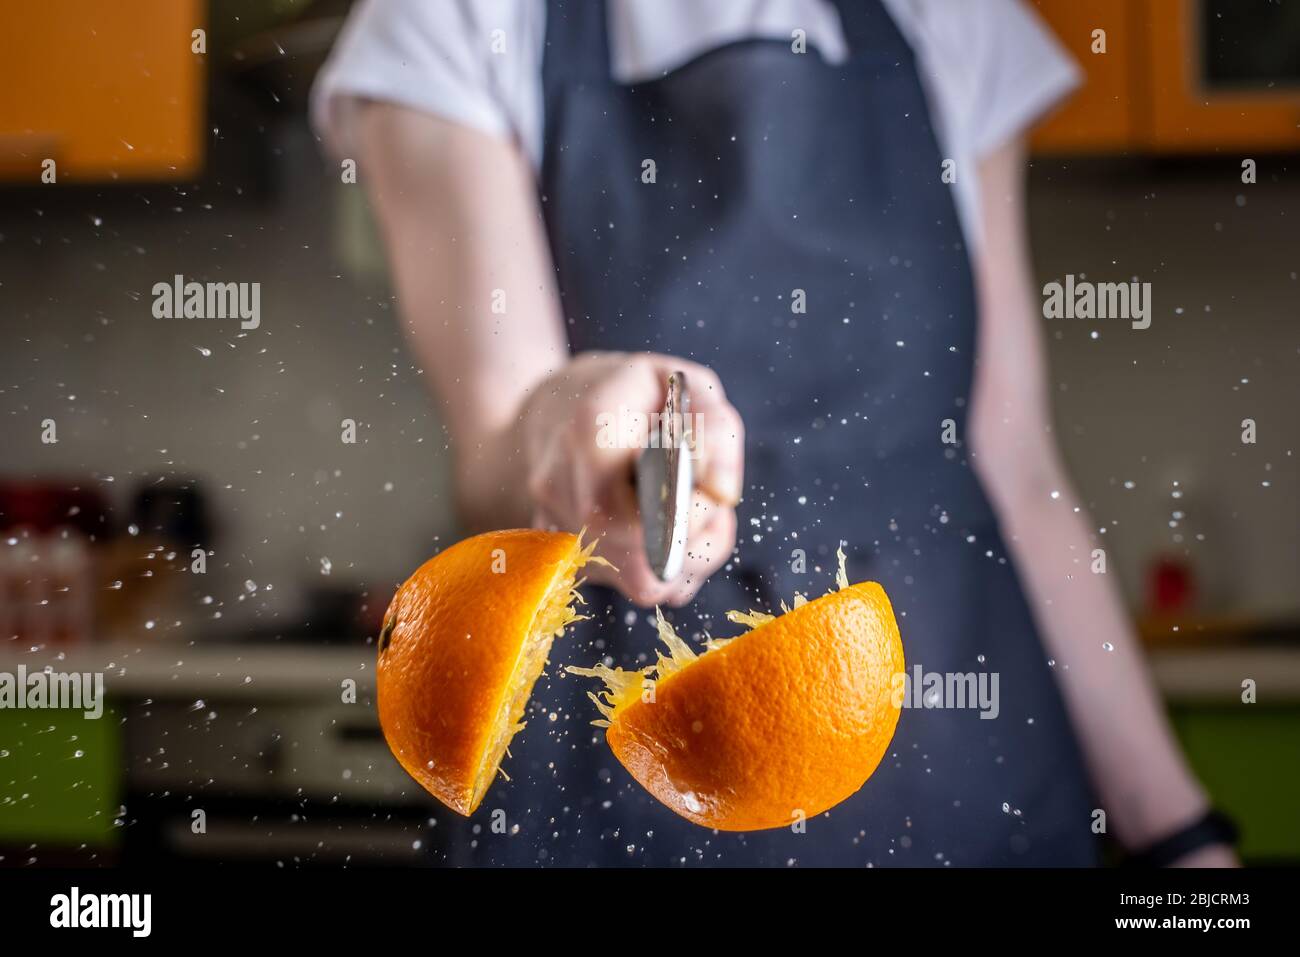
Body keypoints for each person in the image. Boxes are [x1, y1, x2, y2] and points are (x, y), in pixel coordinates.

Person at [312, 0, 1237, 866]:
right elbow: (495, 452)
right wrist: (566, 421)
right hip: (617, 796)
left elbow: (1018, 469)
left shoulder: (953, 18)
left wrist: (1180, 837)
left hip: (967, 782)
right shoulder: (456, 19)